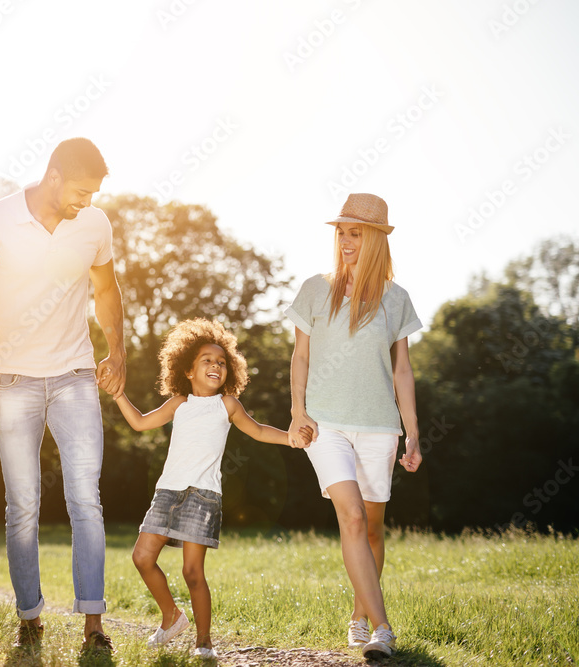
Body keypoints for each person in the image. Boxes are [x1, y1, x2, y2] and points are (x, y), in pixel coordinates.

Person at [0, 138, 125, 653]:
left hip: (75, 375)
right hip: (12, 382)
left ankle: (94, 626)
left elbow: (107, 290)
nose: (87, 202)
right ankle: (30, 617)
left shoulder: (95, 225)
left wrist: (117, 350)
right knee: (22, 505)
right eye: (80, 191)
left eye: (94, 193)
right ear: (54, 176)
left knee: (85, 500)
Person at [114, 318, 312, 659]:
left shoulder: (228, 404)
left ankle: (203, 642)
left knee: (193, 572)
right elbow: (140, 422)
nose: (215, 365)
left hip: (203, 496)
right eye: (207, 359)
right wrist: (118, 393)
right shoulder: (179, 402)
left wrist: (290, 438)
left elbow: (260, 430)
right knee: (142, 558)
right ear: (188, 370)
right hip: (167, 492)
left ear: (229, 370)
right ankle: (172, 617)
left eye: (221, 362)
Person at [284, 193, 422, 660]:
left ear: (377, 239)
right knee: (352, 515)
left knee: (373, 528)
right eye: (341, 231)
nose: (345, 240)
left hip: (380, 425)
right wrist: (297, 411)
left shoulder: (397, 300)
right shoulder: (314, 290)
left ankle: (360, 617)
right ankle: (384, 628)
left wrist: (414, 432)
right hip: (326, 426)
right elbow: (300, 356)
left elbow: (402, 370)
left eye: (355, 233)